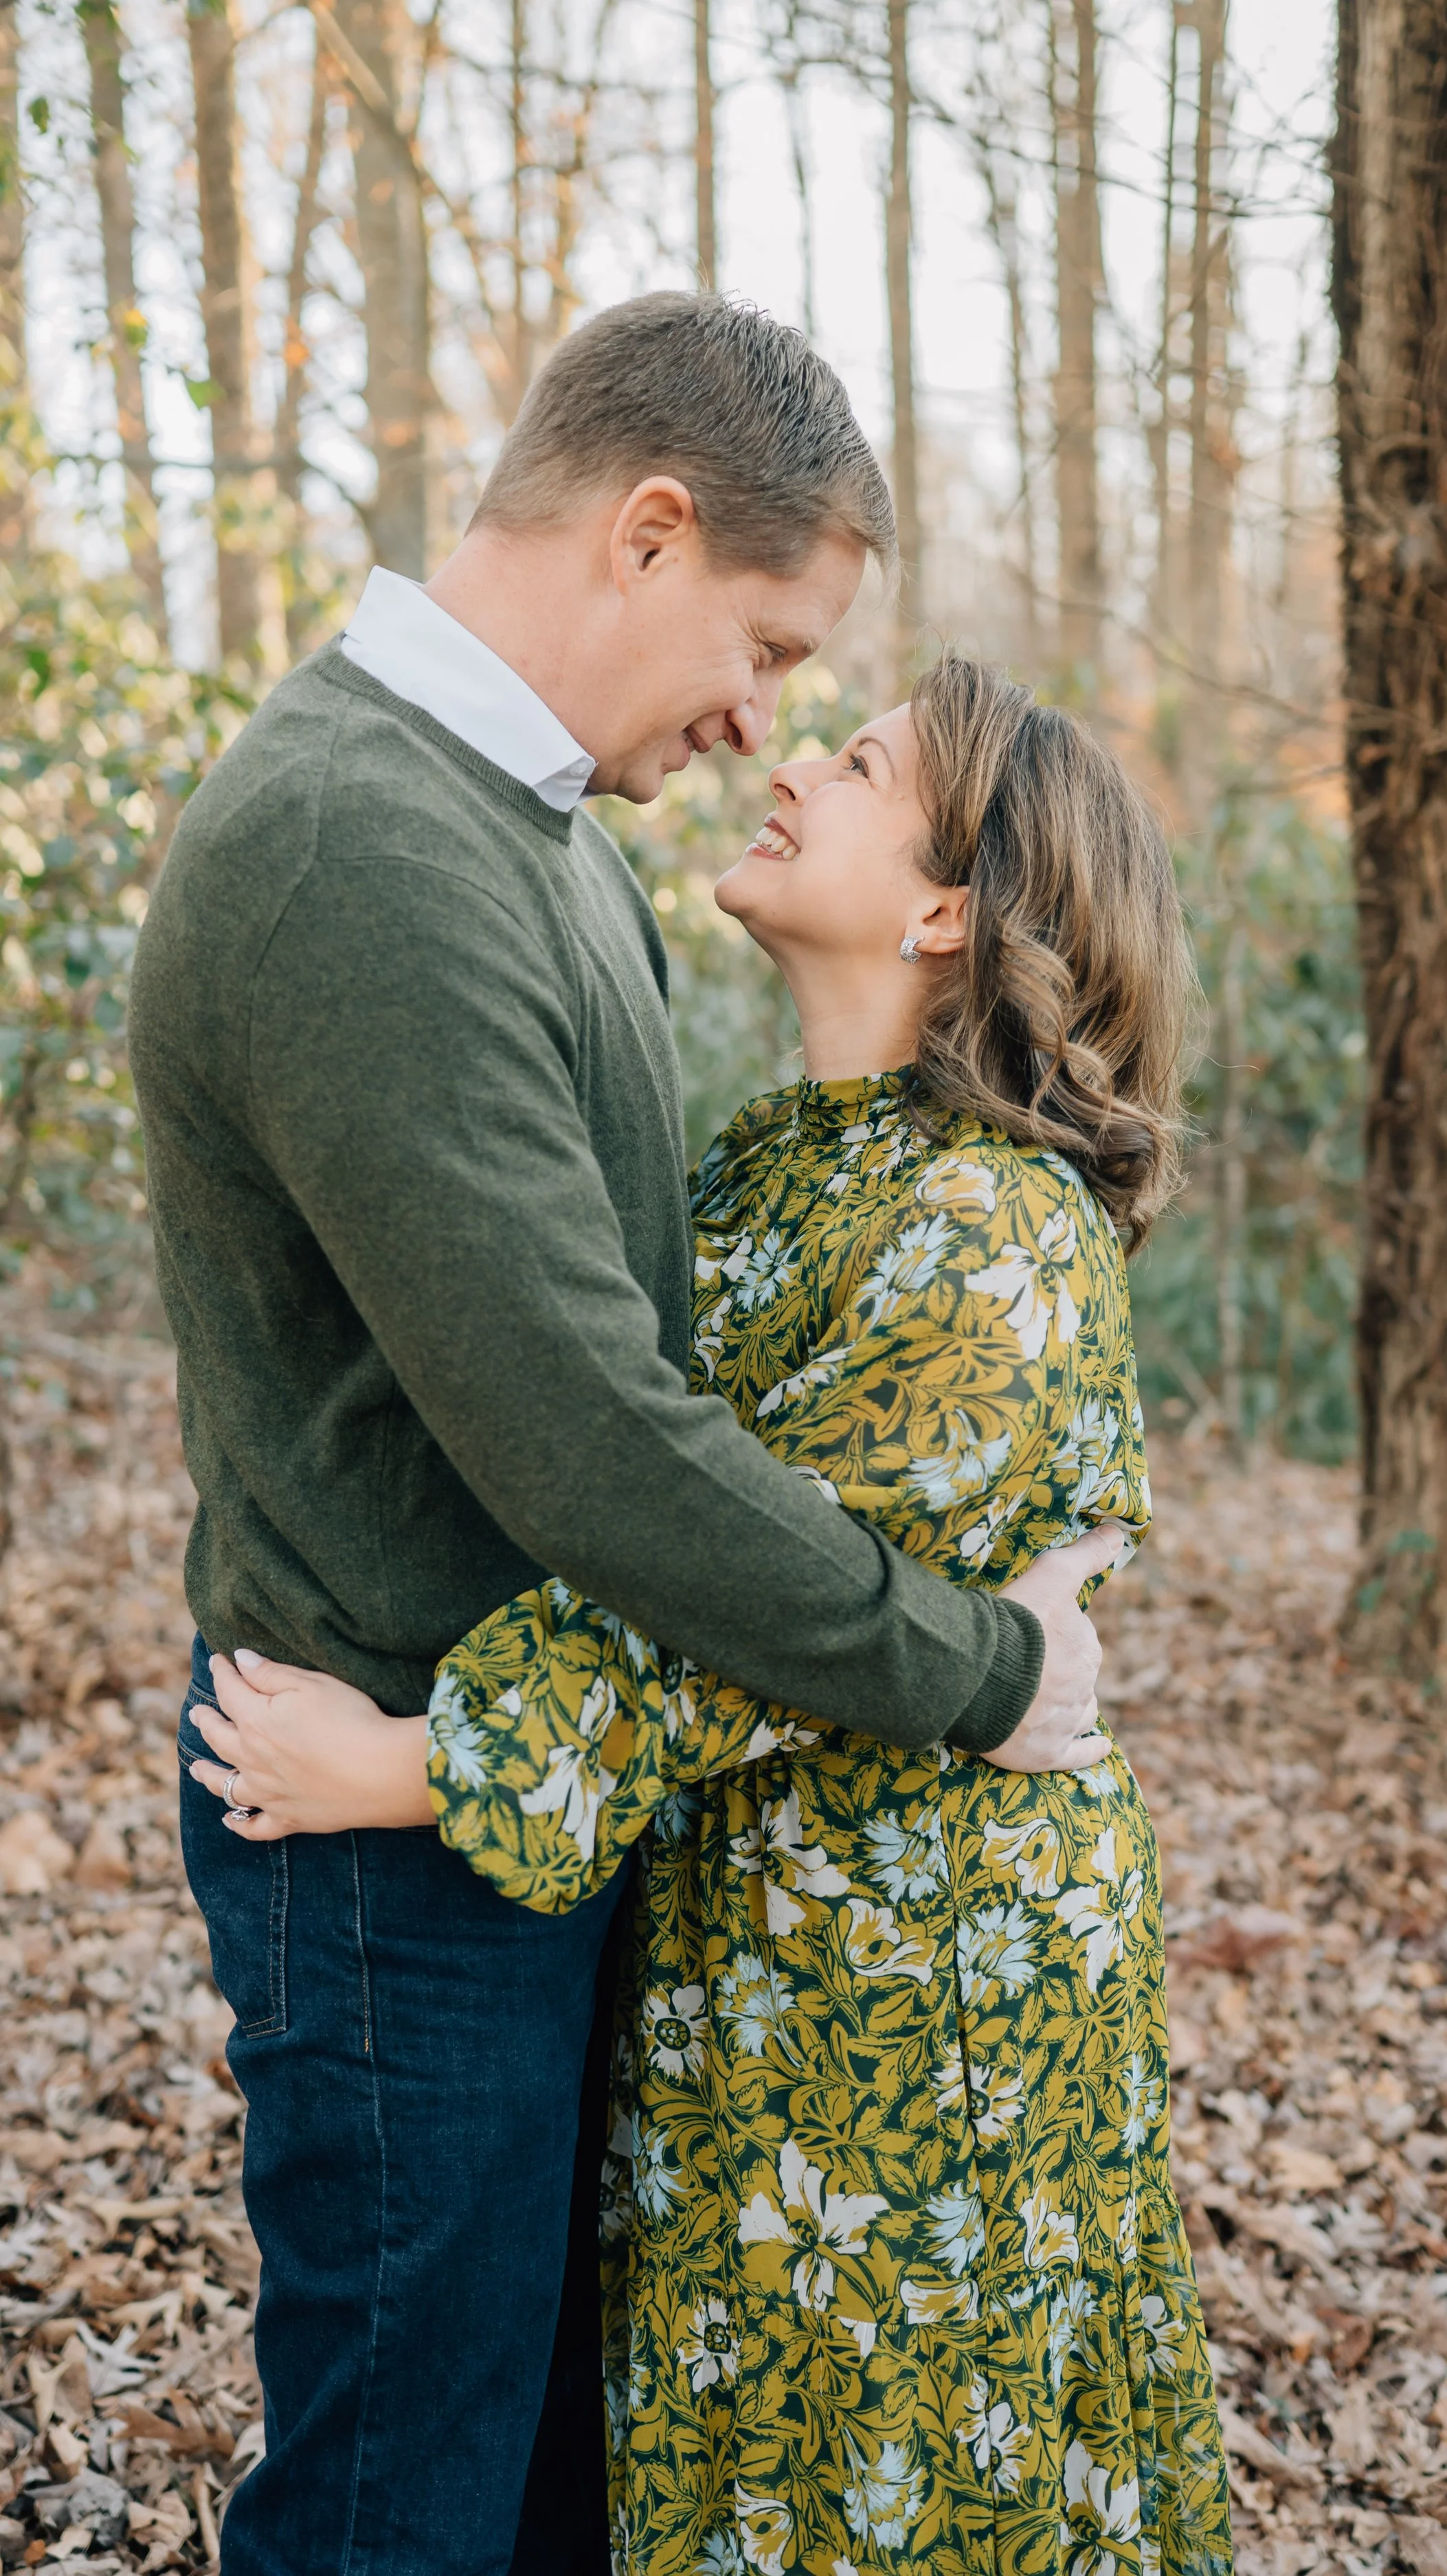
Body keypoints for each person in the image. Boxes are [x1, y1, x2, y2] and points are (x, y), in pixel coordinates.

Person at [128, 297, 1124, 2576]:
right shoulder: (358, 848)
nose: (759, 717)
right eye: (765, 645)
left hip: (530, 1784)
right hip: (386, 1812)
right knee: (400, 2501)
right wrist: (976, 1661)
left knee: (538, 2480)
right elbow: (594, 1434)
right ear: (648, 528)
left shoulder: (540, 835)